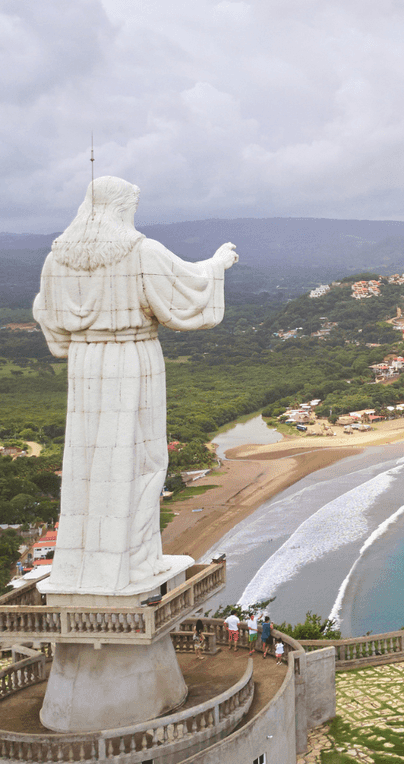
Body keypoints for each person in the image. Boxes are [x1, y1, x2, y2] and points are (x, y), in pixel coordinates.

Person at [32, 176, 237, 595]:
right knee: (143, 458)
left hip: (85, 364)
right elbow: (188, 294)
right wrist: (217, 265)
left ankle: (88, 566)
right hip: (132, 357)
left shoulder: (55, 260)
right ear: (122, 208)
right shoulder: (140, 251)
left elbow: (49, 322)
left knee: (85, 466)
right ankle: (135, 561)